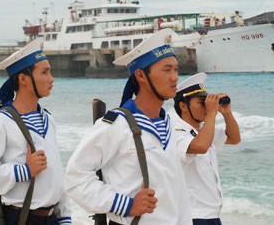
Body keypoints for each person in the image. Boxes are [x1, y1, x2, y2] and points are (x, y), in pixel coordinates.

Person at [64, 29, 192, 225]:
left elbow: (178, 191)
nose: (175, 77)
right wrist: (126, 205)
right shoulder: (117, 125)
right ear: (141, 75)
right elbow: (75, 178)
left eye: (176, 69)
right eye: (167, 70)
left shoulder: (167, 123)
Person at [0, 38, 72, 225]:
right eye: (45, 72)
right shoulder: (1, 121)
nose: (51, 78)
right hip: (20, 218)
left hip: (51, 218)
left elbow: (56, 175)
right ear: (23, 78)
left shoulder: (48, 119)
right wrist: (24, 170)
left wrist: (65, 218)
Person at [173, 72, 241, 225]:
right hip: (191, 215)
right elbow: (201, 146)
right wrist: (211, 113)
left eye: (207, 102)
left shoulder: (204, 131)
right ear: (183, 106)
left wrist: (226, 113)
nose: (207, 106)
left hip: (211, 214)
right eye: (201, 102)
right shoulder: (176, 133)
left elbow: (234, 138)